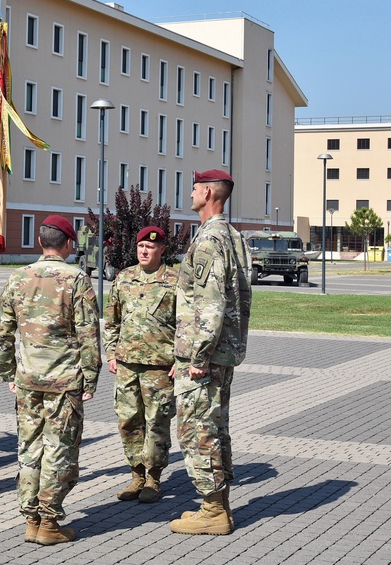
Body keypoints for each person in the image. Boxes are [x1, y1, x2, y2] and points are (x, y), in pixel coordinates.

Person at [0, 214, 101, 546]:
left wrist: (9, 372)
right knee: (58, 448)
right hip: (63, 382)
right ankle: (49, 522)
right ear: (68, 244)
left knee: (29, 447)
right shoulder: (77, 279)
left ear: (40, 242)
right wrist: (90, 379)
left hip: (27, 379)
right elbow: (88, 335)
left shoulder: (17, 277)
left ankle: (31, 518)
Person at [169, 170, 252, 536]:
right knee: (215, 428)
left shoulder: (209, 240)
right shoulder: (231, 236)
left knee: (196, 430)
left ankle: (213, 509)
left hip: (206, 358)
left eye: (193, 188)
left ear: (206, 192)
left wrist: (197, 358)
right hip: (223, 353)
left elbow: (211, 304)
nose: (190, 194)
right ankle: (218, 505)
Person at [104, 225, 178, 504]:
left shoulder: (175, 280)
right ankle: (136, 474)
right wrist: (111, 354)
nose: (144, 251)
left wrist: (182, 360)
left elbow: (185, 323)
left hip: (160, 366)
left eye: (150, 247)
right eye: (140, 247)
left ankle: (154, 477)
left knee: (157, 422)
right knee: (128, 421)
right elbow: (111, 320)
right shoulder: (124, 278)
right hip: (126, 365)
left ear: (161, 249)